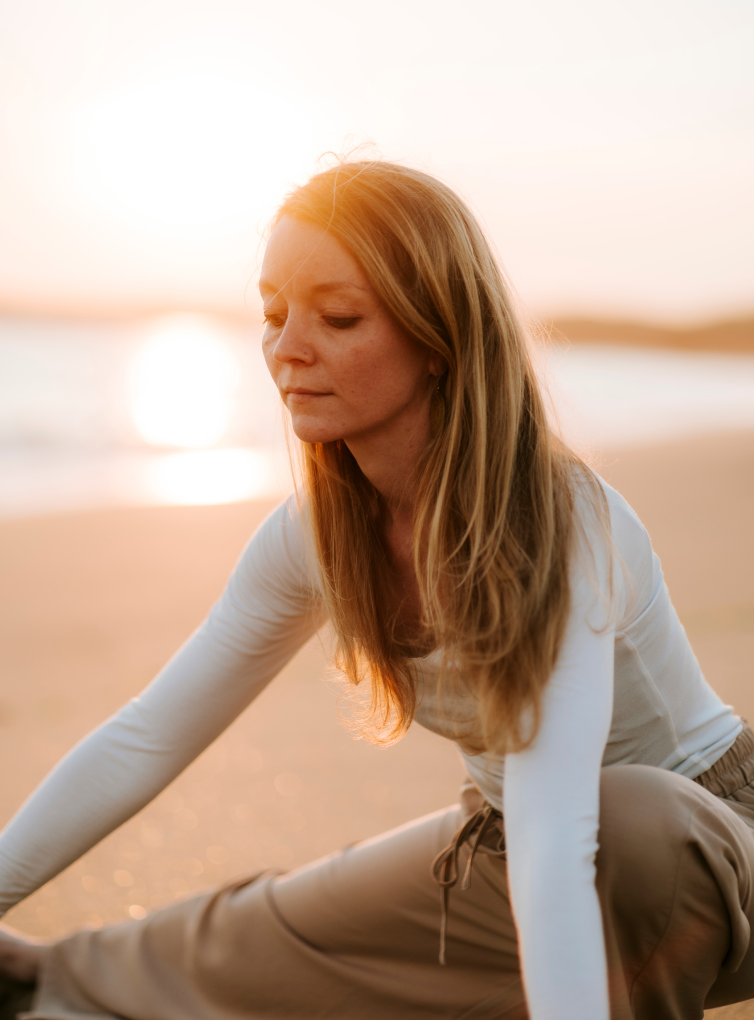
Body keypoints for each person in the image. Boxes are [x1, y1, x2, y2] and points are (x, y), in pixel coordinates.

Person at [1, 160, 753, 1020]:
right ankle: (43, 982)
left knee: (632, 822)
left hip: (713, 839)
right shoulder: (315, 535)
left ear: (438, 336)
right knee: (261, 935)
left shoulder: (560, 521)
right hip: (513, 846)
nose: (286, 348)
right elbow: (145, 738)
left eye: (339, 316)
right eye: (273, 314)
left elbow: (561, 846)